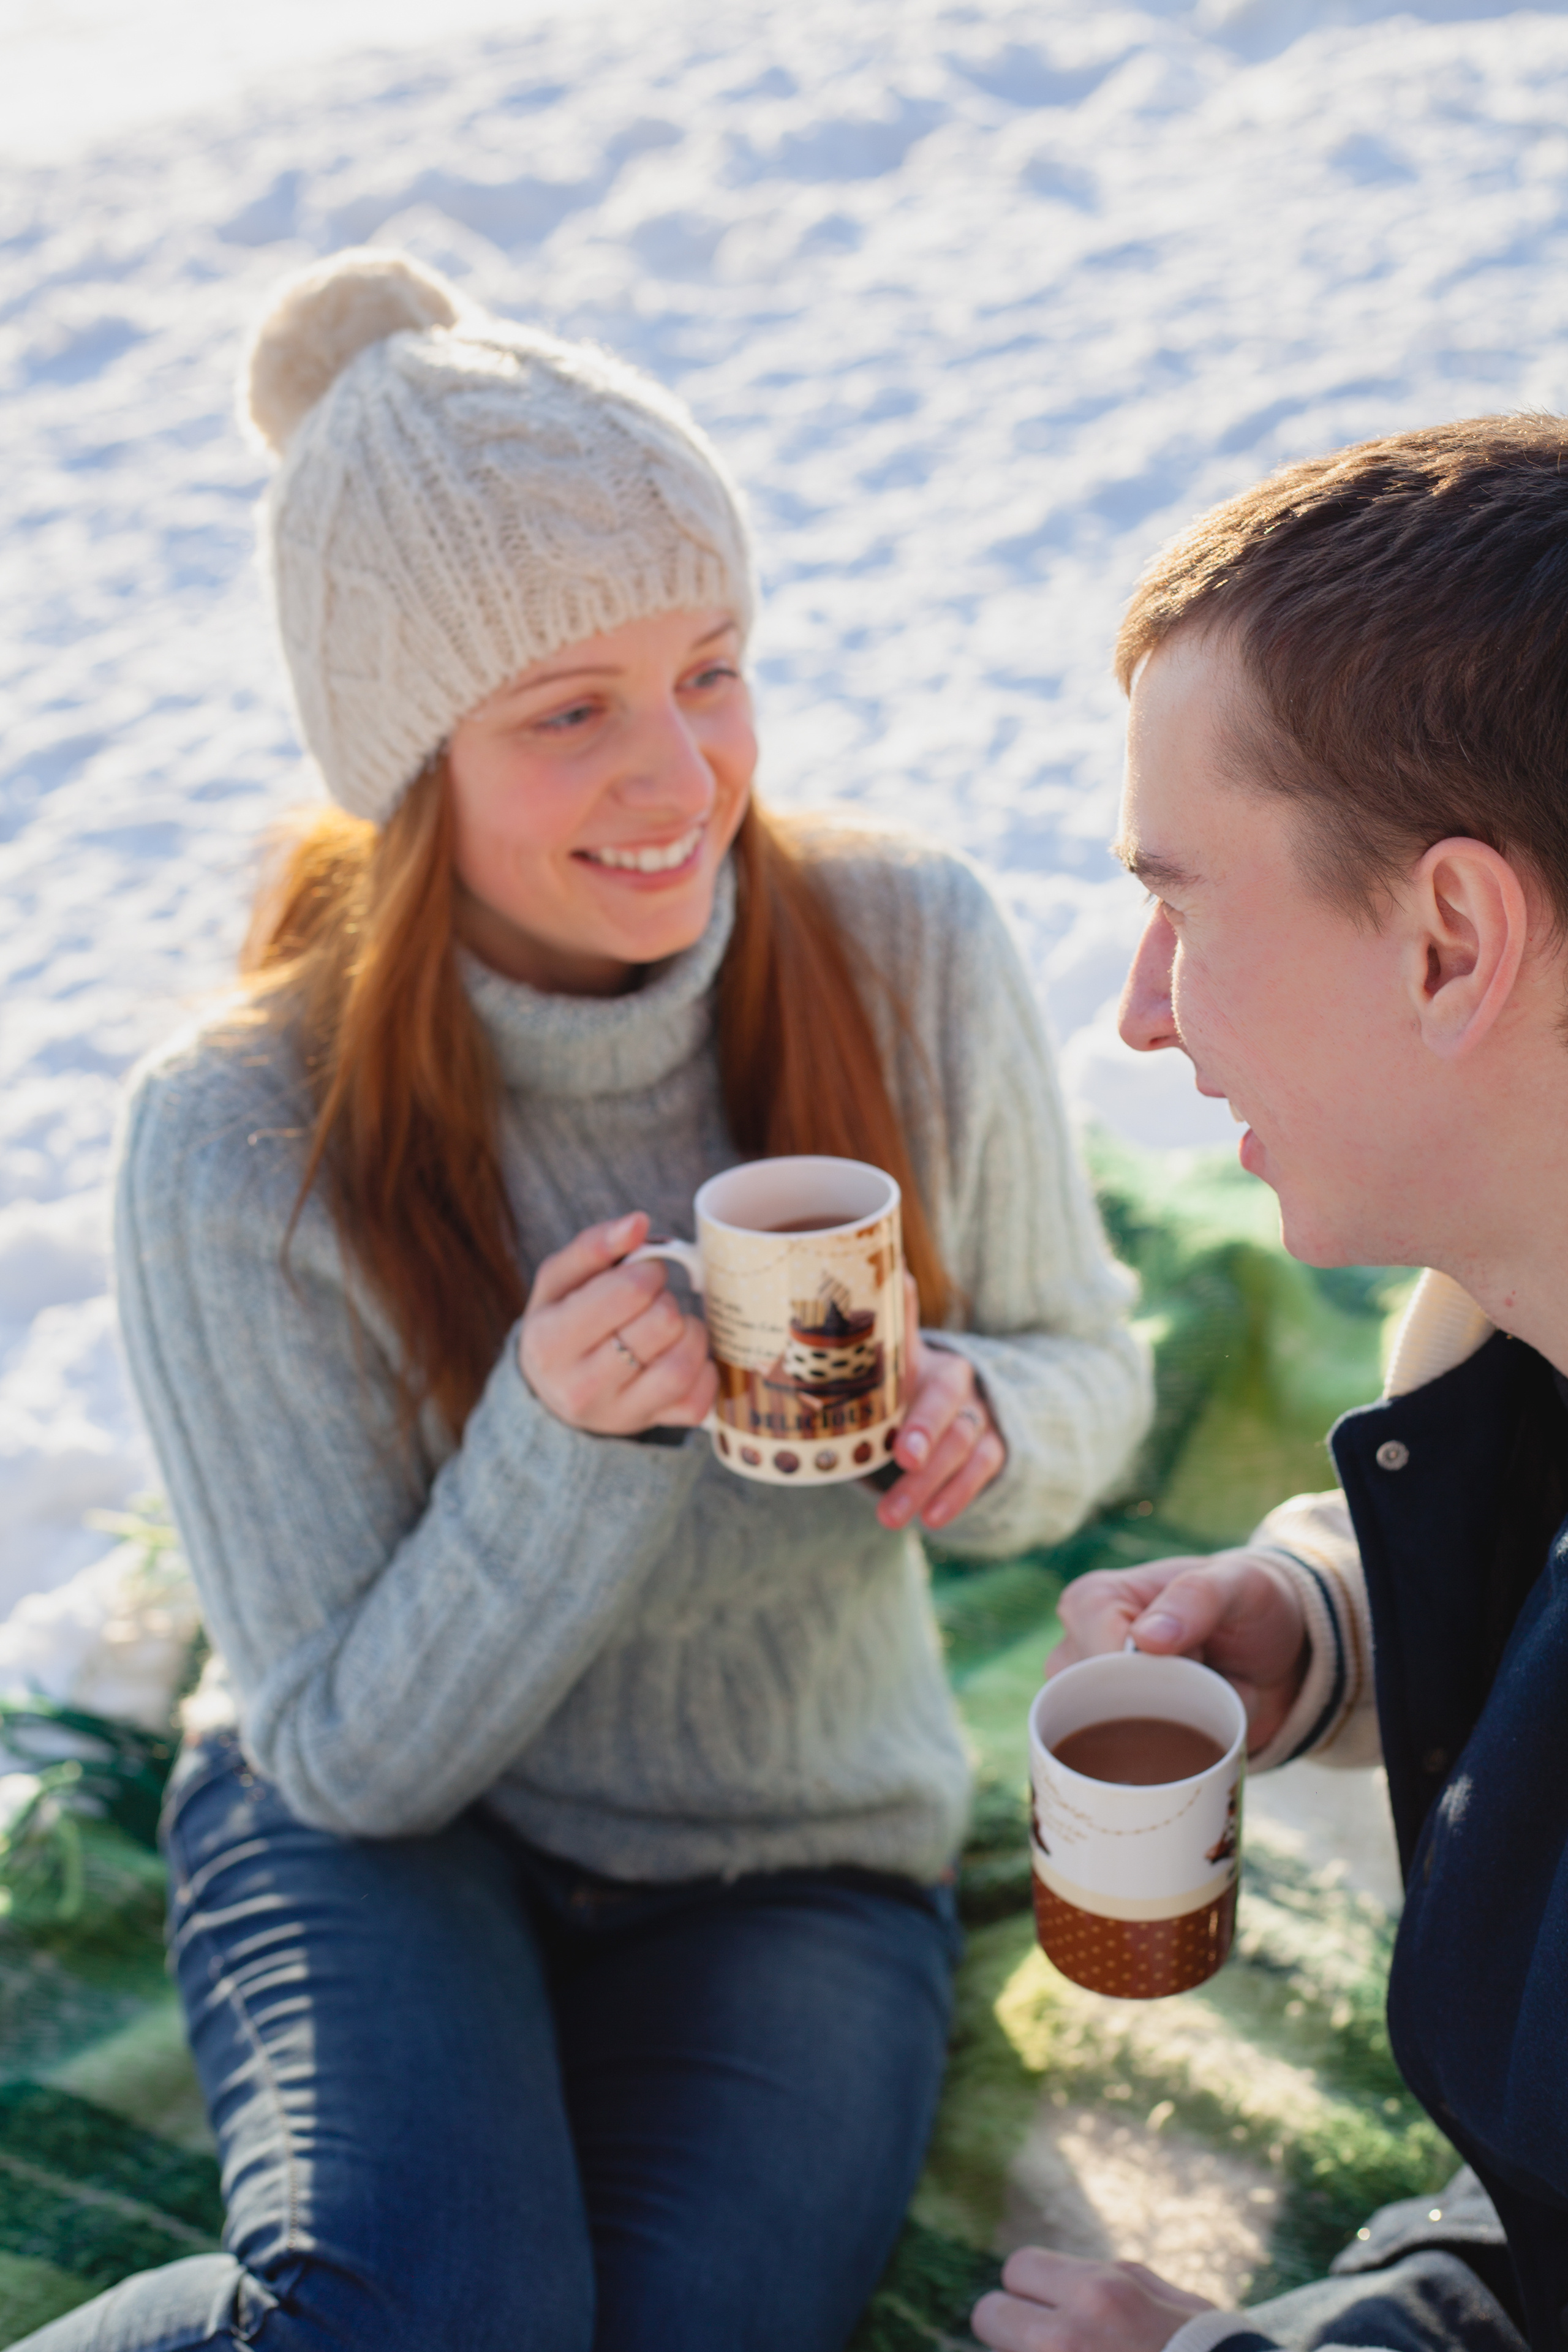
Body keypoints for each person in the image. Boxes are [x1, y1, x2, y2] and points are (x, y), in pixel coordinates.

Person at [21, 249, 1150, 2352]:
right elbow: (345, 1754)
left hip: (800, 1857)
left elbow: (1094, 1378)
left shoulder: (908, 948)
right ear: (410, 762)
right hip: (389, 1833)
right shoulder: (236, 1135)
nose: (681, 775)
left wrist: (987, 1417)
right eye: (570, 713)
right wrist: (563, 1448)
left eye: (710, 669)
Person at [971, 418, 1568, 2352]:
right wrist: (1324, 1626)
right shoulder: (1510, 1302)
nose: (1140, 1008)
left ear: (1451, 939)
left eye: (1187, 904)